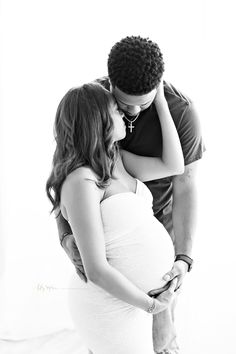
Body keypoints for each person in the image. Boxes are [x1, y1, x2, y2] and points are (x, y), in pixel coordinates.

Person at [56, 36, 205, 353]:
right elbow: (65, 170)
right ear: (110, 85)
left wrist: (183, 257)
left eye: (144, 103)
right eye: (122, 106)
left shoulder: (181, 113)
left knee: (162, 341)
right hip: (108, 244)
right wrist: (65, 236)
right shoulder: (93, 104)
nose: (132, 113)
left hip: (157, 228)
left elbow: (183, 179)